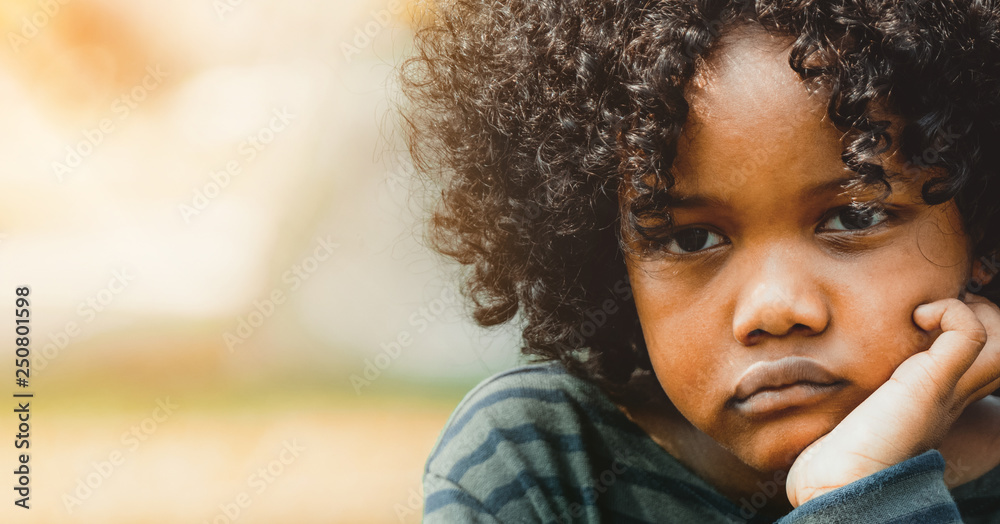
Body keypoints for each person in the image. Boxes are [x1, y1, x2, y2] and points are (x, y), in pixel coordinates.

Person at [398, 0, 1000, 521]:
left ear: (981, 233)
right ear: (608, 264)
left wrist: (866, 494)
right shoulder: (538, 459)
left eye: (853, 216)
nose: (774, 309)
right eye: (691, 239)